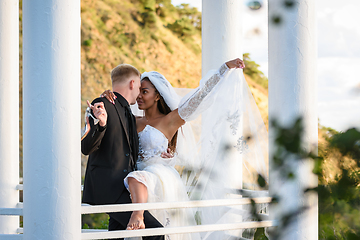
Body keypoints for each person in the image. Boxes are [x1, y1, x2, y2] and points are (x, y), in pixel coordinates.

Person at [101, 58, 269, 240]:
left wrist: (223, 69)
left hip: (157, 177)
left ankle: (138, 215)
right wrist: (109, 96)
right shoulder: (131, 119)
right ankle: (137, 215)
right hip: (133, 182)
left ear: (157, 95)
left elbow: (199, 97)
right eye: (138, 91)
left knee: (139, 183)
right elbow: (113, 117)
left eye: (145, 91)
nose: (139, 95)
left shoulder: (170, 120)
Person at [81, 64, 166, 240]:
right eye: (139, 88)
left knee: (116, 236)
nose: (140, 93)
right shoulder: (101, 104)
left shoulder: (127, 111)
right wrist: (101, 125)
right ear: (132, 83)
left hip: (123, 188)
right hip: (108, 188)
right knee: (156, 232)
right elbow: (86, 147)